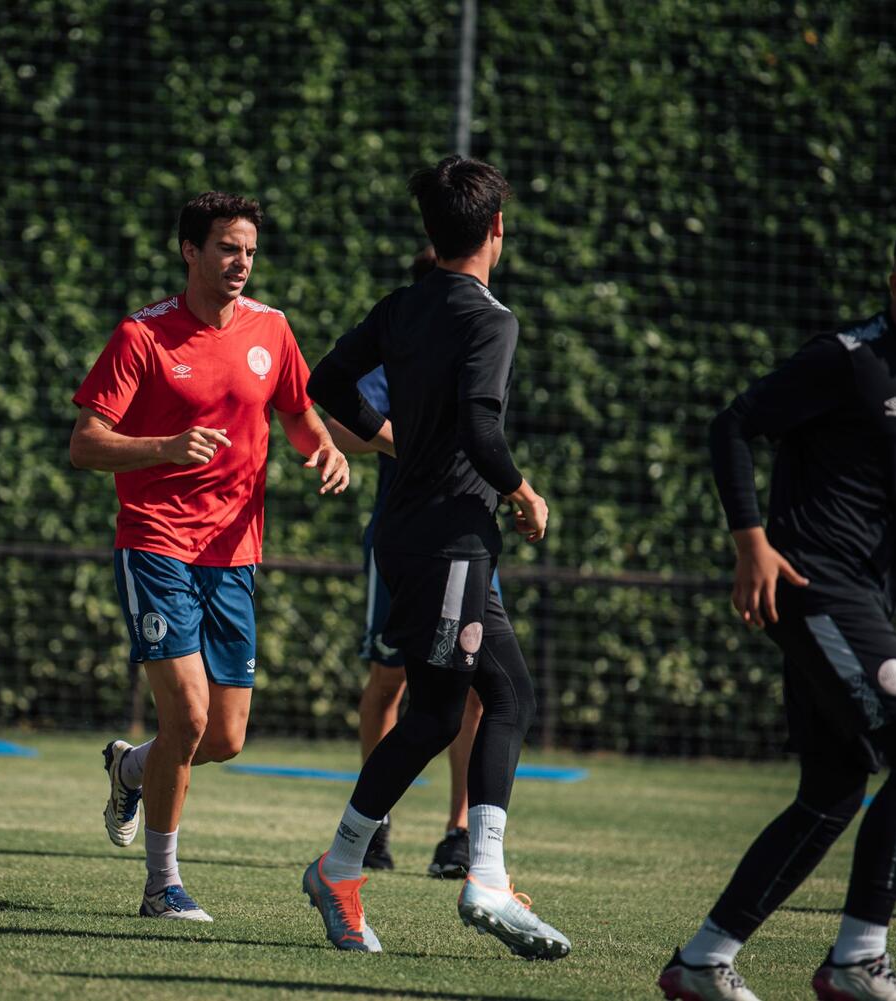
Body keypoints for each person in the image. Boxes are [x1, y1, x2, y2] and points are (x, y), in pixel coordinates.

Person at [298, 155, 568, 959]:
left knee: (486, 699)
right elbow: (483, 431)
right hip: (450, 538)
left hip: (422, 535)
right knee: (456, 708)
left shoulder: (403, 304)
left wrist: (396, 441)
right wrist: (524, 492)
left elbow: (326, 381)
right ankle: (376, 868)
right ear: (497, 229)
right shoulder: (492, 319)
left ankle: (440, 870)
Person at [71, 191, 349, 922]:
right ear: (190, 251)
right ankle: (162, 885)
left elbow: (297, 412)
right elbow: (85, 443)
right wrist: (164, 447)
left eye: (249, 250)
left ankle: (132, 766)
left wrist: (323, 450)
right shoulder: (142, 335)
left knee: (224, 736)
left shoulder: (272, 329)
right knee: (189, 718)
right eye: (227, 247)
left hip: (234, 556)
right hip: (156, 542)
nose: (241, 261)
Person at [659, 237, 896, 1001]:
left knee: (833, 788)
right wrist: (750, 541)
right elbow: (732, 424)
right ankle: (859, 959)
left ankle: (703, 961)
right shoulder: (848, 358)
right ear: (894, 281)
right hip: (814, 583)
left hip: (863, 596)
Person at [325, 245, 487, 877]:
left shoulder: (485, 339)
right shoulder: (399, 348)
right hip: (405, 544)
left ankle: (459, 834)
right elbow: (339, 423)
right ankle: (375, 823)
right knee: (390, 679)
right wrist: (413, 443)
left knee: (474, 692)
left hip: (469, 542)